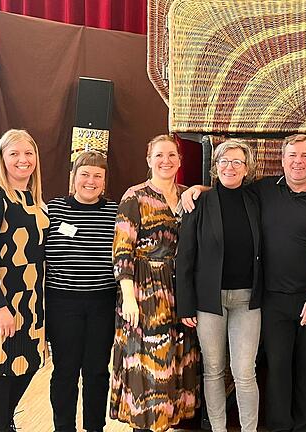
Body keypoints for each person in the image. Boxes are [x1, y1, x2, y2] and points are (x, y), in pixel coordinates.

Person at [183, 133, 306, 432]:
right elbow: (228, 189)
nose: (298, 161)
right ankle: (279, 427)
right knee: (277, 368)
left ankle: (305, 428)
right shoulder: (265, 189)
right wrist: (198, 190)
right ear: (282, 160)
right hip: (271, 298)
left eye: (305, 156)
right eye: (292, 155)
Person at [110, 134, 200, 432]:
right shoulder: (134, 196)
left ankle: (166, 424)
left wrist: (201, 187)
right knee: (148, 367)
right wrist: (129, 298)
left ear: (179, 160)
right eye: (159, 155)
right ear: (149, 160)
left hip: (181, 290)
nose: (166, 161)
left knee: (172, 364)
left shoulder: (188, 195)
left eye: (171, 155)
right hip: (145, 291)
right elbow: (122, 250)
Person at [176, 139, 263, 432]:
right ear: (215, 167)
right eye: (224, 161)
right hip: (208, 301)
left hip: (247, 301)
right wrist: (185, 303)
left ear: (247, 168)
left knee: (244, 373)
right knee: (213, 371)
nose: (230, 167)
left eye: (237, 162)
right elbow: (185, 256)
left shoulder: (256, 199)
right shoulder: (199, 202)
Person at [0, 129, 50, 432]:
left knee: (26, 366)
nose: (22, 160)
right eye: (14, 153)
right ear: (1, 158)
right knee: (1, 371)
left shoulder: (33, 199)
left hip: (31, 302)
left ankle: (2, 424)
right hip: (1, 301)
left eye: (28, 153)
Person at [45, 151, 118, 432]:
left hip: (102, 301)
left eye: (97, 176)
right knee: (65, 370)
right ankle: (63, 427)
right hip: (62, 302)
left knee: (97, 371)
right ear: (73, 177)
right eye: (84, 174)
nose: (91, 180)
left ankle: (94, 427)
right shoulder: (54, 209)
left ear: (104, 181)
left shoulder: (115, 212)